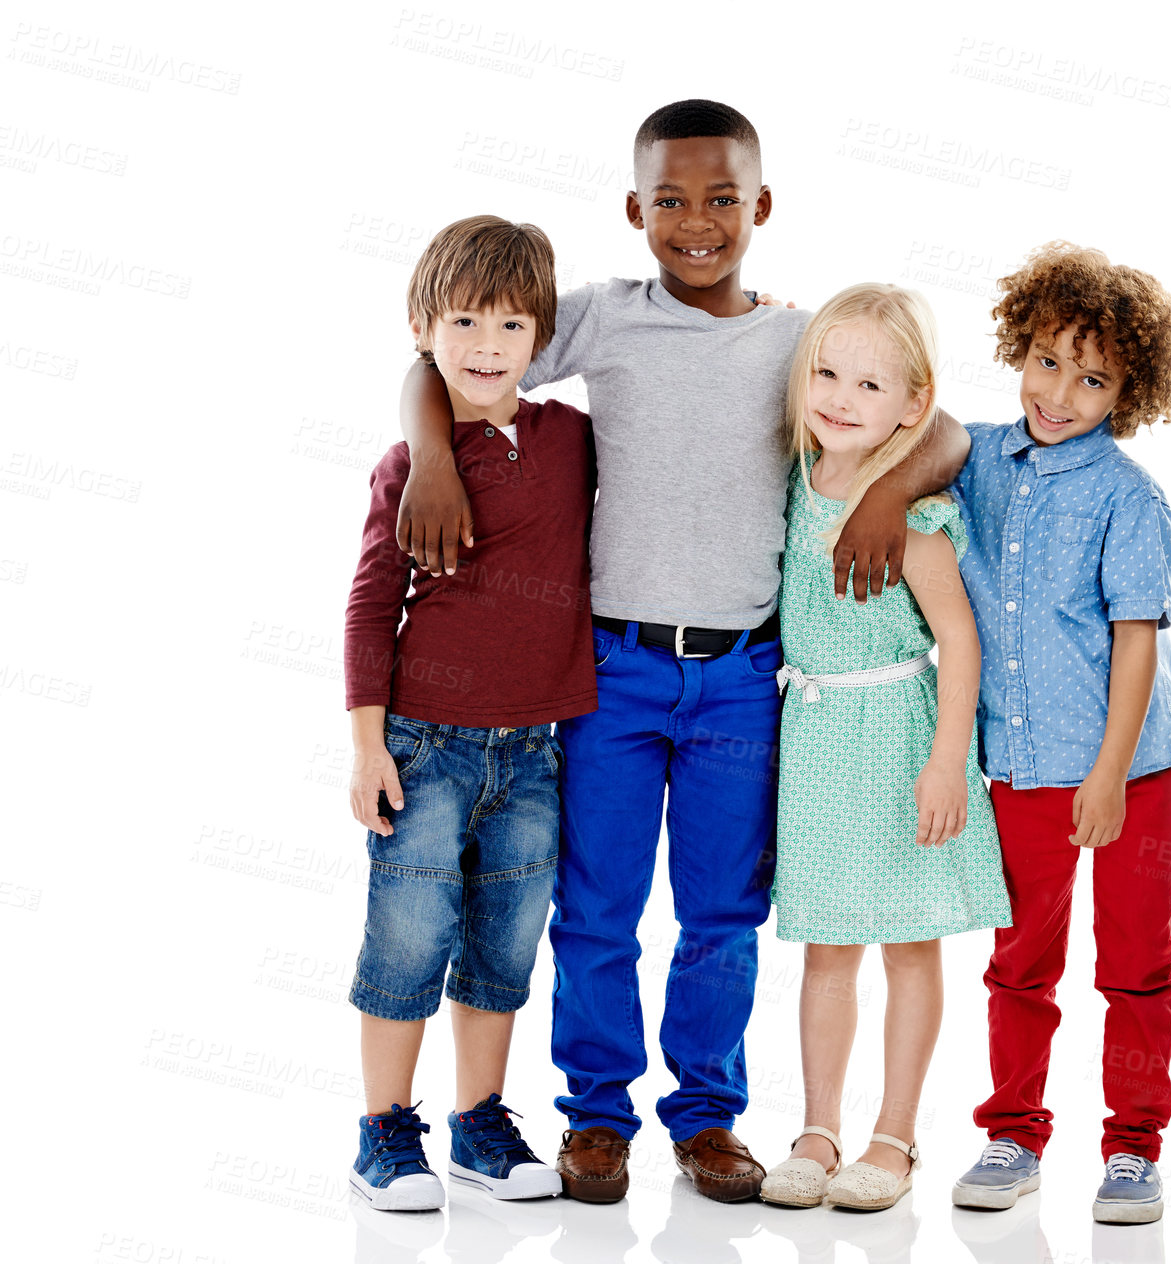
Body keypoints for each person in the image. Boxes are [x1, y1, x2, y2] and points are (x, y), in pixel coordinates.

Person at [393, 101, 970, 1204]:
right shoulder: (603, 319)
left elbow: (944, 427)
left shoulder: (801, 341)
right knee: (599, 907)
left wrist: (894, 487)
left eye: (720, 200)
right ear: (634, 209)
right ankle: (596, 1119)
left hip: (747, 680)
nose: (696, 222)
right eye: (670, 201)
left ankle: (706, 1118)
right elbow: (448, 352)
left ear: (760, 206)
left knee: (721, 915)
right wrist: (430, 449)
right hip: (613, 672)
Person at [342, 215, 594, 1210]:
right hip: (427, 747)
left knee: (505, 941)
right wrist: (367, 746)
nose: (487, 346)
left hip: (539, 749)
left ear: (542, 336)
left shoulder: (574, 441)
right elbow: (370, 604)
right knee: (407, 936)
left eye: (511, 324)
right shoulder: (410, 464)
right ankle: (381, 1131)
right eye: (464, 322)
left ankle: (478, 1120)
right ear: (423, 324)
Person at [947, 242, 1171, 1224]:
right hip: (1016, 765)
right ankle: (1013, 1132)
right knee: (1020, 959)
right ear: (1020, 347)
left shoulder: (1129, 498)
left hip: (1131, 769)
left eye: (1093, 378)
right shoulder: (975, 460)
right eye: (1048, 361)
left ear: (1127, 391)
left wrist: (1108, 774)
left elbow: (1135, 648)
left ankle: (1133, 1148)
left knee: (1134, 961)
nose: (1061, 392)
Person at [758, 283, 1011, 1213]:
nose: (837, 397)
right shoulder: (794, 476)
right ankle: (818, 1127)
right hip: (817, 739)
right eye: (824, 372)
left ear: (913, 404)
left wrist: (948, 762)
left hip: (897, 736)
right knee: (827, 948)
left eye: (868, 384)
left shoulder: (916, 513)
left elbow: (959, 640)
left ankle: (894, 1135)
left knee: (909, 946)